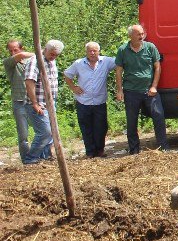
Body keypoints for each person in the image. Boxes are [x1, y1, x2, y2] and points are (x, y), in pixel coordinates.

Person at [115, 25, 170, 154]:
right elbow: (118, 71)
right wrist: (119, 90)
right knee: (131, 121)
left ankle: (164, 147)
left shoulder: (150, 47)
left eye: (142, 34)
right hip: (130, 91)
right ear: (130, 36)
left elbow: (157, 67)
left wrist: (154, 86)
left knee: (158, 116)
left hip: (149, 91)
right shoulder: (123, 50)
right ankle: (134, 150)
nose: (141, 36)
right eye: (138, 34)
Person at [64, 42, 115, 157]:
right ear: (86, 52)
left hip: (100, 102)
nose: (92, 53)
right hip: (83, 101)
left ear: (99, 51)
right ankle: (90, 152)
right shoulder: (78, 63)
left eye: (94, 51)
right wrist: (73, 87)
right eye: (89, 51)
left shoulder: (106, 61)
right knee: (86, 128)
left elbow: (121, 62)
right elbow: (67, 74)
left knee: (101, 127)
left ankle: (100, 150)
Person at [23, 39, 64, 164]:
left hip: (50, 103)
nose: (54, 57)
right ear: (45, 49)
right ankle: (30, 158)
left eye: (56, 55)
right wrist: (35, 103)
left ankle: (45, 157)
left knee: (52, 132)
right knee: (45, 132)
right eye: (52, 54)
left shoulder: (52, 61)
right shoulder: (35, 61)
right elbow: (29, 82)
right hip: (38, 103)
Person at [4, 39, 33, 163]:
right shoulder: (8, 62)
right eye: (10, 50)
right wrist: (42, 52)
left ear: (21, 48)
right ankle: (26, 159)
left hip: (34, 100)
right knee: (23, 135)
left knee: (44, 131)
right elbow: (21, 56)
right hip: (19, 101)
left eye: (15, 50)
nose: (13, 53)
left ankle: (44, 155)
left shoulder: (31, 62)